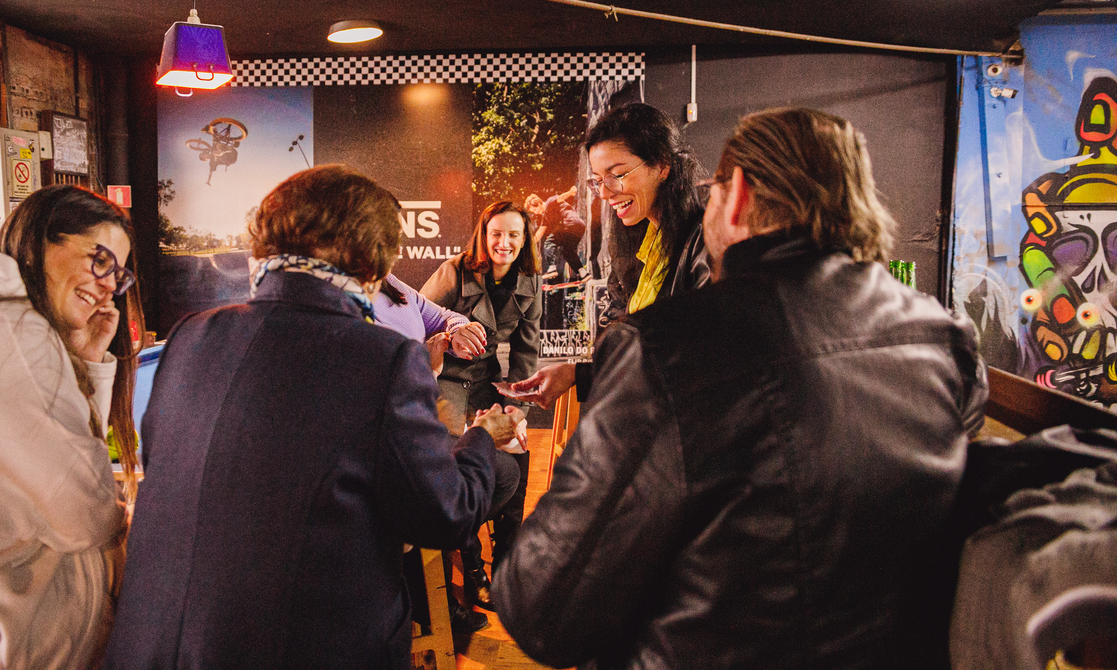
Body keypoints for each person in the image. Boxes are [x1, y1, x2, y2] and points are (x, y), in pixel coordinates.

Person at [493, 108, 989, 669]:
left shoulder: (664, 346)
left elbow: (542, 611)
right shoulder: (945, 336)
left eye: (716, 187)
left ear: (738, 193)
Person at [102, 166, 517, 670]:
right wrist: (480, 439)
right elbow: (446, 514)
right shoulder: (382, 357)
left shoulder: (192, 336)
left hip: (150, 647)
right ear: (373, 258)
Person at [0, 184, 142, 669]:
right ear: (42, 242)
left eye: (118, 275)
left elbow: (68, 462)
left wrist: (88, 358)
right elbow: (90, 515)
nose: (107, 285)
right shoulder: (16, 333)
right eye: (99, 260)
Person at [505, 102, 709, 407]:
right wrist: (576, 373)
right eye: (598, 180)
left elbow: (693, 352)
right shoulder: (636, 238)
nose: (605, 192)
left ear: (663, 166)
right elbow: (621, 327)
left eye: (617, 175)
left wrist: (580, 374)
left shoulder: (705, 239)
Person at [372, 272, 517, 625]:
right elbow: (384, 396)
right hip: (398, 435)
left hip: (419, 415)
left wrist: (456, 330)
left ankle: (442, 571)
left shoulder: (387, 281)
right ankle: (432, 584)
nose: (506, 244)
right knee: (477, 482)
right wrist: (429, 369)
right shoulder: (349, 300)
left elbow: (440, 316)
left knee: (508, 471)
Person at [420, 201, 541, 580]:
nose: (503, 242)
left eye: (513, 235)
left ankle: (507, 563)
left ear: (525, 240)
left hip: (488, 382)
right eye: (496, 234)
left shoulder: (531, 280)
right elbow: (417, 321)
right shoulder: (453, 272)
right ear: (483, 236)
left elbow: (527, 349)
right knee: (466, 465)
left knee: (518, 454)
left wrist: (515, 406)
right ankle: (472, 568)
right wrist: (446, 341)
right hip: (447, 383)